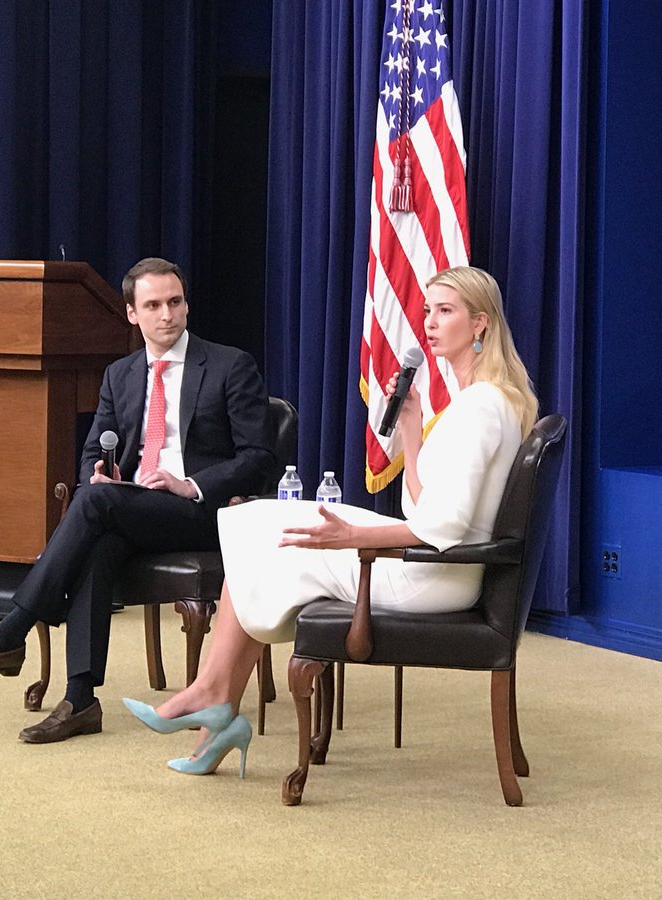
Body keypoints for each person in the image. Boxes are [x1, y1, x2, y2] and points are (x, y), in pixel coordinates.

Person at [122, 265, 537, 776]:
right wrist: (410, 425)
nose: (429, 322)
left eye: (445, 311)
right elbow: (426, 508)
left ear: (480, 325)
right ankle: (216, 709)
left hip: (432, 577)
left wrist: (350, 536)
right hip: (437, 566)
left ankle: (214, 700)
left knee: (273, 544)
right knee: (261, 525)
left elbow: (443, 532)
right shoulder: (481, 400)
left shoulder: (480, 408)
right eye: (427, 310)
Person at [0, 257, 275, 743]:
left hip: (202, 510)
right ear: (132, 313)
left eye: (175, 302)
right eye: (153, 305)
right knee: (97, 529)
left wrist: (190, 484)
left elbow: (259, 457)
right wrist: (98, 473)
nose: (167, 315)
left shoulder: (227, 365)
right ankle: (79, 700)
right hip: (134, 507)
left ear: (186, 305)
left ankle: (11, 631)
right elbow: (94, 450)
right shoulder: (120, 374)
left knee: (95, 506)